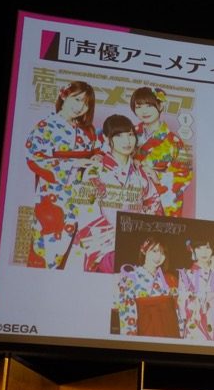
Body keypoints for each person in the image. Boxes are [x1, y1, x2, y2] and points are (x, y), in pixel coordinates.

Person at [69, 114, 164, 272]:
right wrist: (121, 240)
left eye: (130, 135)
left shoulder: (140, 172)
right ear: (106, 138)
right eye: (119, 136)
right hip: (103, 246)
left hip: (137, 241)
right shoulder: (94, 171)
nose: (127, 141)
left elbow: (154, 203)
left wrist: (142, 233)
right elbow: (87, 214)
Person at [25, 81, 101, 269]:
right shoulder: (45, 127)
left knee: (78, 253)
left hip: (82, 196)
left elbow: (99, 151)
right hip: (54, 196)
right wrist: (74, 163)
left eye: (86, 104)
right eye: (77, 99)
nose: (80, 107)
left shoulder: (88, 130)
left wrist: (97, 157)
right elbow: (34, 158)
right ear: (64, 96)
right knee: (49, 249)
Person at [130, 87, 193, 217]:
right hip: (131, 197)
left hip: (157, 203)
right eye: (139, 107)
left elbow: (185, 174)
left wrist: (157, 176)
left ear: (160, 106)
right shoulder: (129, 133)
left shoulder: (174, 141)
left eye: (149, 105)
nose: (144, 111)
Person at [116, 236, 181, 337]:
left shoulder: (170, 279)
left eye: (162, 253)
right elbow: (127, 312)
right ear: (144, 251)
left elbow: (178, 310)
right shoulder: (130, 278)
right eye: (154, 251)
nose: (158, 256)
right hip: (146, 332)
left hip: (170, 332)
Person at [178, 240, 214, 342]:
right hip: (200, 326)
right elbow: (186, 306)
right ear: (192, 250)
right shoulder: (186, 275)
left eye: (207, 248)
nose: (204, 252)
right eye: (199, 248)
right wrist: (212, 271)